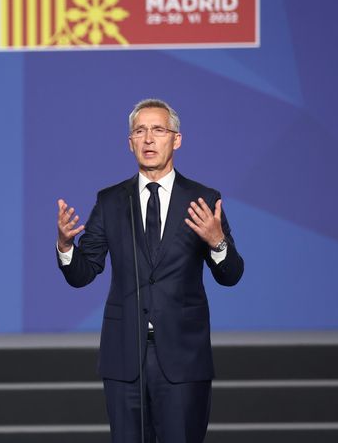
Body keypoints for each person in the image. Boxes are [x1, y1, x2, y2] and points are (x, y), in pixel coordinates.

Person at [56, 99, 244, 443]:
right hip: (124, 358)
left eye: (158, 130)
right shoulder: (111, 201)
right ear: (130, 143)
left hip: (183, 359)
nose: (148, 139)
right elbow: (83, 273)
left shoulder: (202, 199)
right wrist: (66, 247)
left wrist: (218, 242)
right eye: (140, 131)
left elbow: (231, 275)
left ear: (177, 139)